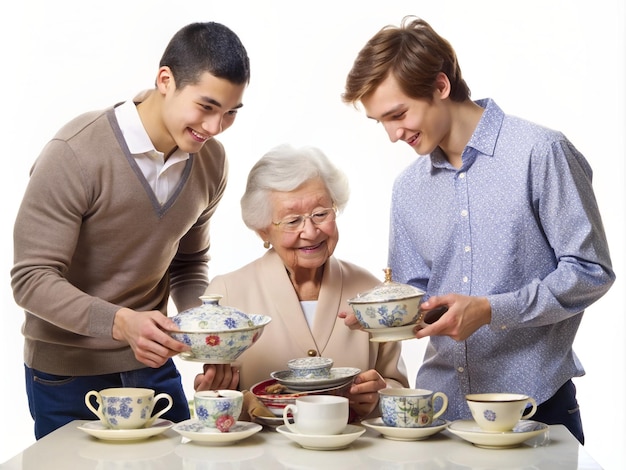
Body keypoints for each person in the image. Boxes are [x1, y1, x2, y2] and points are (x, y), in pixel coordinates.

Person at [340, 16, 615, 443]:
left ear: (441, 86)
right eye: (381, 122)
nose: (393, 134)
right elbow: (420, 300)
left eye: (398, 114)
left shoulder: (540, 152)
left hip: (536, 406)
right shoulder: (408, 188)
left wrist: (490, 309)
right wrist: (379, 318)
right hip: (441, 411)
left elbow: (590, 271)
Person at [10, 22, 250, 439]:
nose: (215, 127)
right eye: (207, 106)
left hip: (152, 366)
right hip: (67, 374)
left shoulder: (211, 162)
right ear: (165, 80)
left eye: (230, 112)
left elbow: (189, 262)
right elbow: (31, 280)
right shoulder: (75, 153)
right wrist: (121, 323)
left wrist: (207, 336)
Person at [193, 143, 409, 419]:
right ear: (263, 230)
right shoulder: (226, 294)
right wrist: (217, 396)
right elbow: (214, 408)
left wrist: (379, 396)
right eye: (292, 221)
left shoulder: (370, 290)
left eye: (321, 214)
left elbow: (399, 386)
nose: (310, 231)